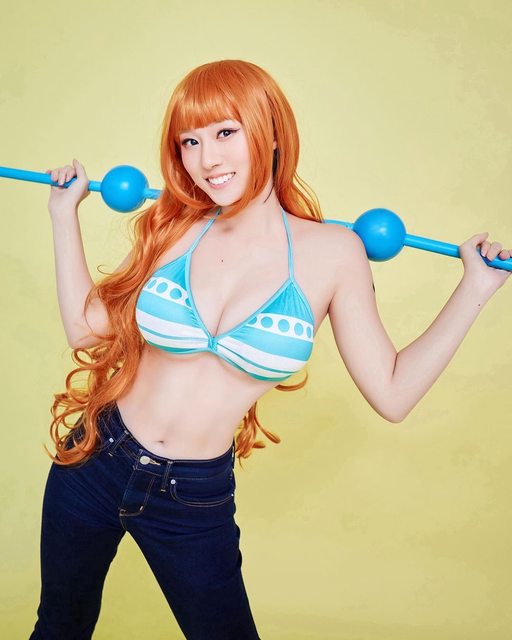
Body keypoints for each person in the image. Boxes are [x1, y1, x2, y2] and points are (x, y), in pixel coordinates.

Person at [29, 59, 511, 639]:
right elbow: (87, 330)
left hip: (191, 497)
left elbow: (393, 392)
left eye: (225, 132)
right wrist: (63, 215)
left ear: (272, 132)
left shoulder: (334, 254)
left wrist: (475, 289)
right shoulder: (173, 226)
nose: (208, 159)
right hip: (96, 458)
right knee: (59, 626)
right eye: (190, 141)